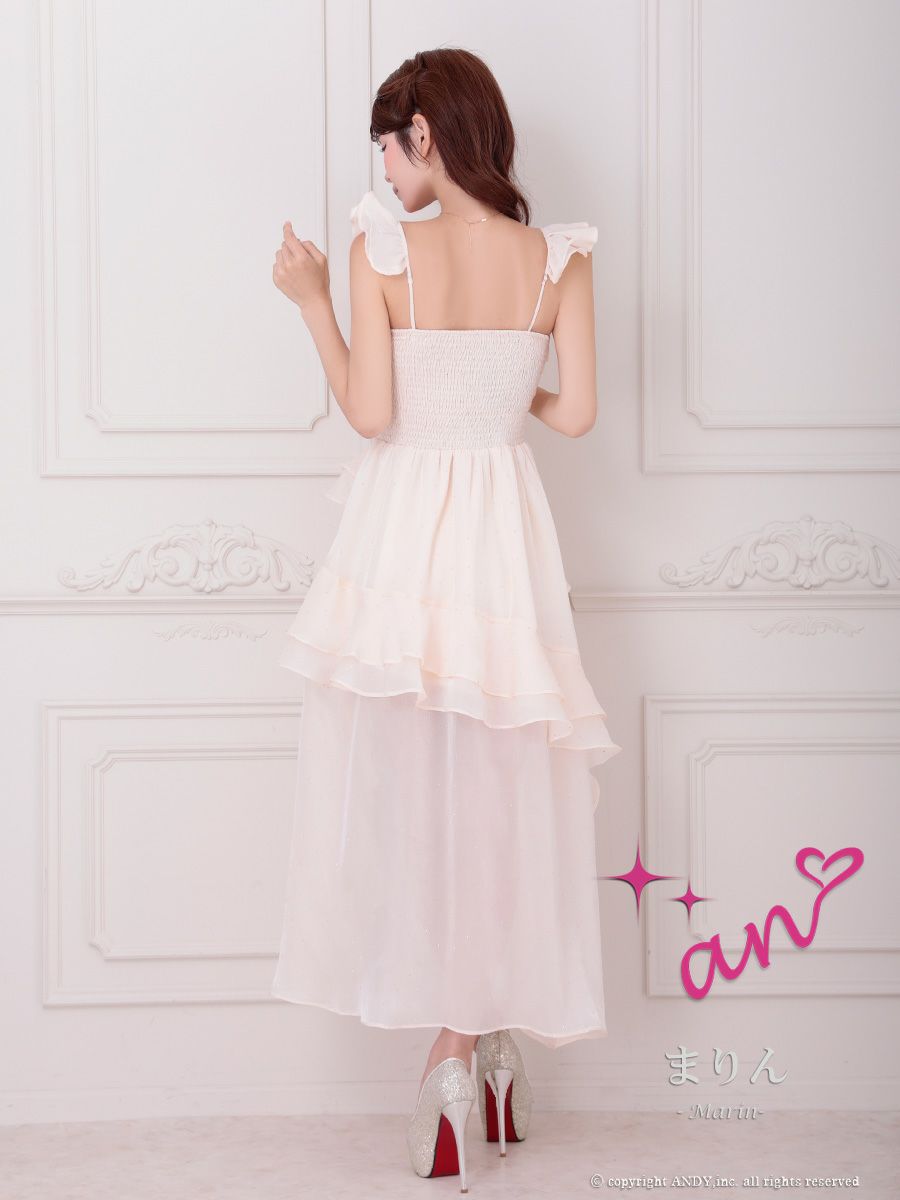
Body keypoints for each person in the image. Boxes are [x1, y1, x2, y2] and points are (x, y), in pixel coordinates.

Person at [269, 47, 622, 1192]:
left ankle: (454, 1055)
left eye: (388, 141)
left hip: (405, 542)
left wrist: (312, 305)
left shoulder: (383, 253)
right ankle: (492, 1038)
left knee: (416, 795)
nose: (383, 166)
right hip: (503, 537)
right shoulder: (559, 259)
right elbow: (575, 414)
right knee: (498, 793)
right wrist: (497, 385)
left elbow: (372, 413)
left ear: (426, 132)